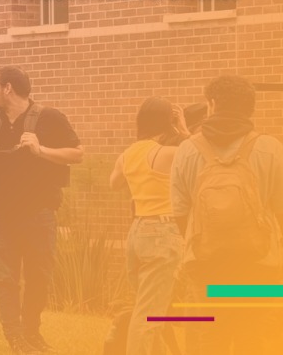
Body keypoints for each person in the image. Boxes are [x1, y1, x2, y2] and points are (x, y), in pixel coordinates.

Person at [170, 76, 283, 354]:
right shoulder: (272, 148)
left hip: (207, 266)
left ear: (212, 104)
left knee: (211, 337)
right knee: (255, 337)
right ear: (251, 108)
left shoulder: (187, 150)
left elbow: (180, 213)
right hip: (260, 265)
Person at [0, 67, 83, 353]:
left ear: (8, 88)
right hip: (0, 213)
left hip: (38, 212)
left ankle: (31, 330)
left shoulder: (50, 118)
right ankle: (14, 336)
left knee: (39, 275)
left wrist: (41, 150)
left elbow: (77, 154)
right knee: (5, 277)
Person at [106, 97, 190, 355]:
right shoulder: (166, 153)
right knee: (148, 316)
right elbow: (198, 153)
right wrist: (184, 129)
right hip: (161, 235)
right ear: (168, 122)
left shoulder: (128, 154)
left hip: (137, 234)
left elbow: (114, 184)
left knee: (151, 308)